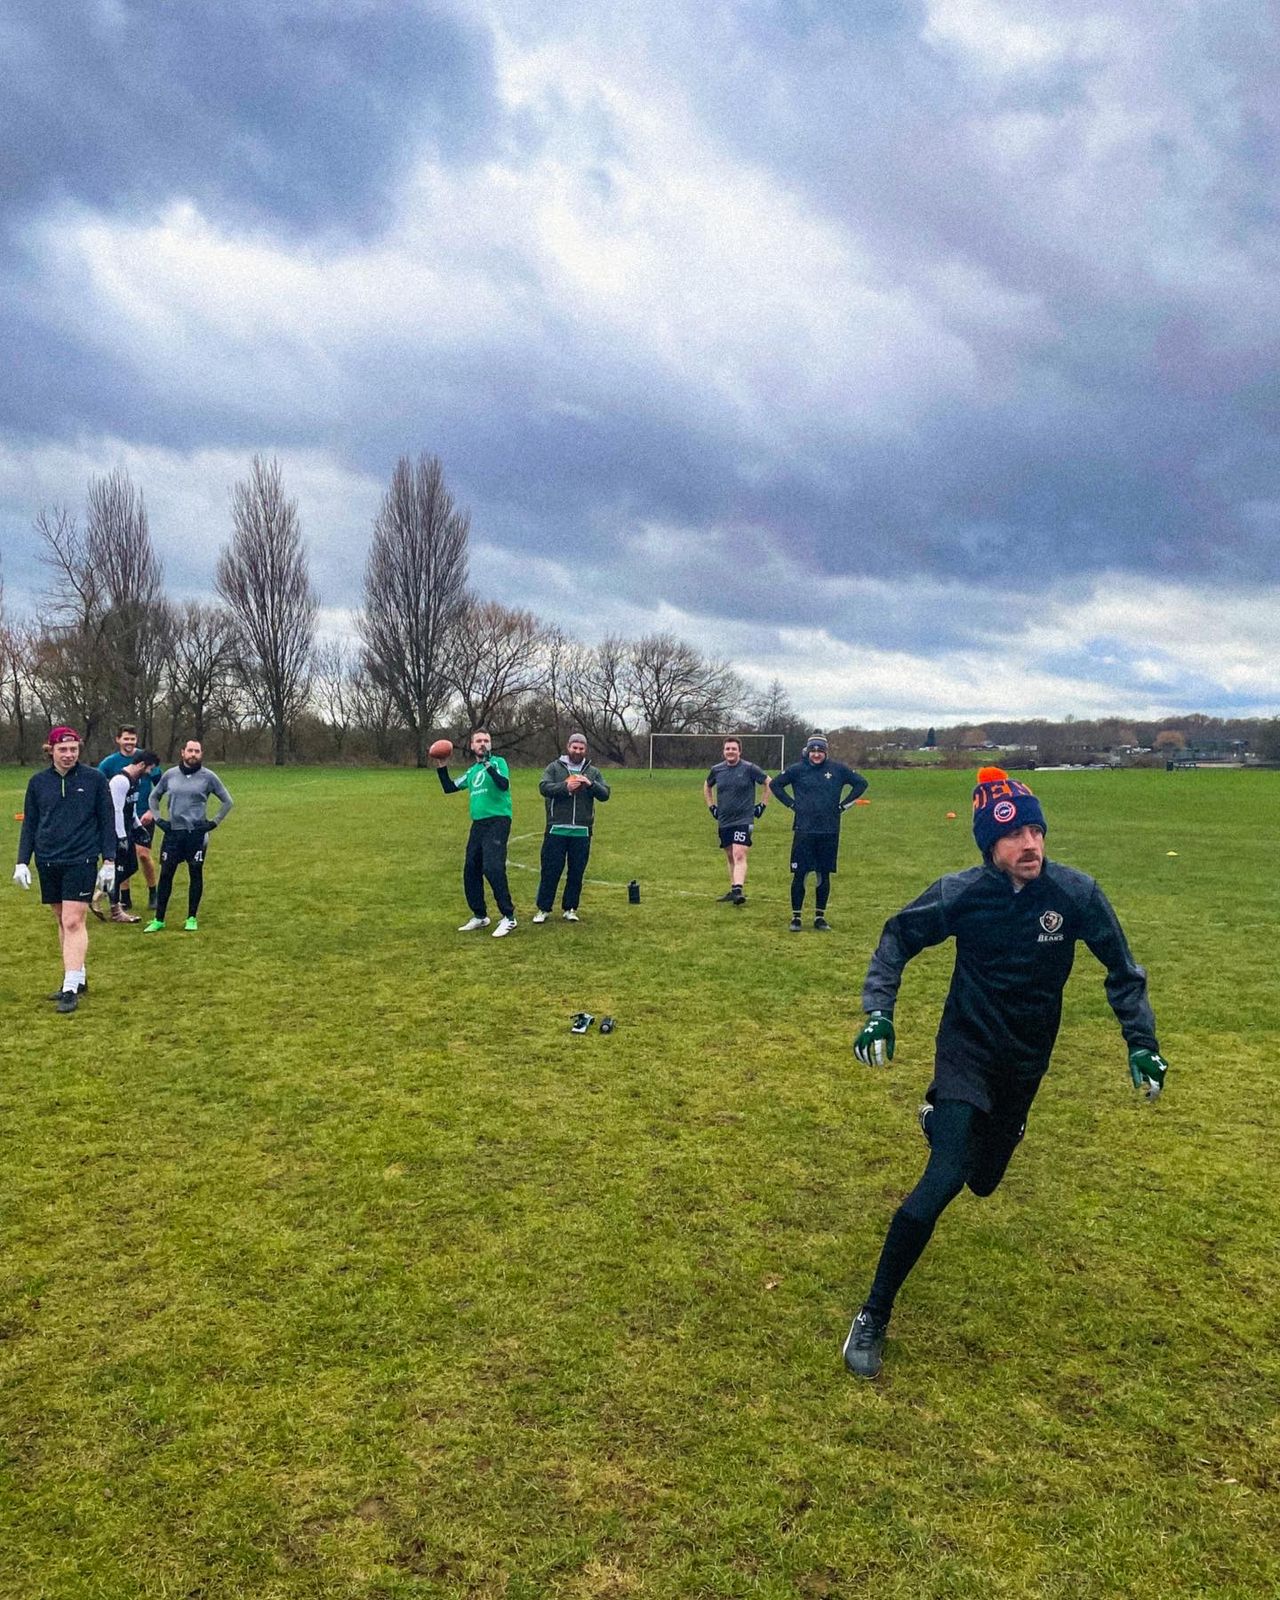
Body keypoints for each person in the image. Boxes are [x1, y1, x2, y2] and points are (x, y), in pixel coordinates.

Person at [842, 767, 1169, 1380]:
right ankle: (873, 1314)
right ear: (989, 845)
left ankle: (946, 1123)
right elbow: (897, 939)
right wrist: (878, 1011)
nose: (1030, 844)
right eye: (1015, 834)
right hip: (966, 1049)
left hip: (1026, 1059)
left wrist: (1141, 1042)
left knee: (984, 1181)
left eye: (1036, 831)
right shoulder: (961, 893)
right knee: (943, 1179)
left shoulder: (1076, 895)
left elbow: (1123, 971)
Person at [12, 726, 116, 1013]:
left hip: (81, 859)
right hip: (47, 859)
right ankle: (78, 976)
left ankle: (69, 988)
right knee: (61, 919)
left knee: (73, 921)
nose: (69, 755)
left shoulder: (94, 779)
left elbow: (107, 820)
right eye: (63, 750)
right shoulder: (38, 782)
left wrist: (109, 860)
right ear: (51, 751)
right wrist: (22, 861)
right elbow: (30, 823)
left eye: (73, 749)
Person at [770, 735, 867, 931]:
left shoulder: (837, 769)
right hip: (804, 830)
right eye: (813, 751)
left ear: (825, 752)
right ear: (808, 751)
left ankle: (819, 917)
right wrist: (791, 804)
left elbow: (861, 783)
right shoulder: (797, 769)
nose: (816, 754)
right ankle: (796, 917)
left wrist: (843, 805)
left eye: (820, 751)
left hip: (829, 830)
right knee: (800, 874)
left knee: (824, 874)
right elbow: (775, 785)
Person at [139, 738, 234, 933]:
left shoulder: (209, 777)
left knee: (195, 873)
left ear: (201, 754)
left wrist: (213, 823)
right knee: (166, 874)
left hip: (196, 834)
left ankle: (191, 917)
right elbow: (154, 796)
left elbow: (227, 801)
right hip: (173, 833)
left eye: (197, 751)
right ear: (183, 752)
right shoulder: (170, 775)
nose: (193, 755)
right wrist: (158, 819)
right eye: (190, 751)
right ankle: (159, 919)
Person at [433, 729, 517, 938]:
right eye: (478, 741)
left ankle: (508, 916)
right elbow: (449, 787)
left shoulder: (498, 763)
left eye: (486, 740)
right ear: (472, 746)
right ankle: (480, 915)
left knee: (493, 867)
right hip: (478, 823)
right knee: (471, 868)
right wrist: (442, 765)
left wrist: (488, 765)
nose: (483, 744)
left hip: (498, 820)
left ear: (491, 745)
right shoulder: (472, 772)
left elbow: (503, 784)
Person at [533, 732, 610, 923]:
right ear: (568, 747)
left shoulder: (593, 771)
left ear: (585, 750)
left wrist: (590, 784)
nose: (577, 751)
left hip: (582, 831)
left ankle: (570, 908)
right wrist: (565, 787)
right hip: (556, 828)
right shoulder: (554, 767)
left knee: (576, 873)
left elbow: (605, 794)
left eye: (581, 748)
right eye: (574, 747)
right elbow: (544, 787)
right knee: (550, 871)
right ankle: (543, 909)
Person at [98, 725, 160, 912]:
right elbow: (114, 803)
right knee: (123, 861)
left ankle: (153, 893)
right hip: (119, 821)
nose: (129, 742)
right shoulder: (113, 768)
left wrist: (149, 813)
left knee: (141, 856)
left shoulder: (143, 761)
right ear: (118, 739)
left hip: (141, 817)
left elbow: (160, 786)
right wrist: (121, 835)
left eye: (132, 739)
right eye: (126, 738)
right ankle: (117, 897)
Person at [703, 737, 771, 904]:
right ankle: (734, 888)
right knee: (730, 855)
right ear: (723, 751)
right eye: (727, 749)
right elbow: (707, 786)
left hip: (744, 819)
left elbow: (769, 782)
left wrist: (762, 805)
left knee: (739, 853)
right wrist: (711, 806)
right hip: (724, 820)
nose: (730, 751)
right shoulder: (717, 770)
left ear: (739, 751)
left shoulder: (750, 768)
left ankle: (738, 890)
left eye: (734, 749)